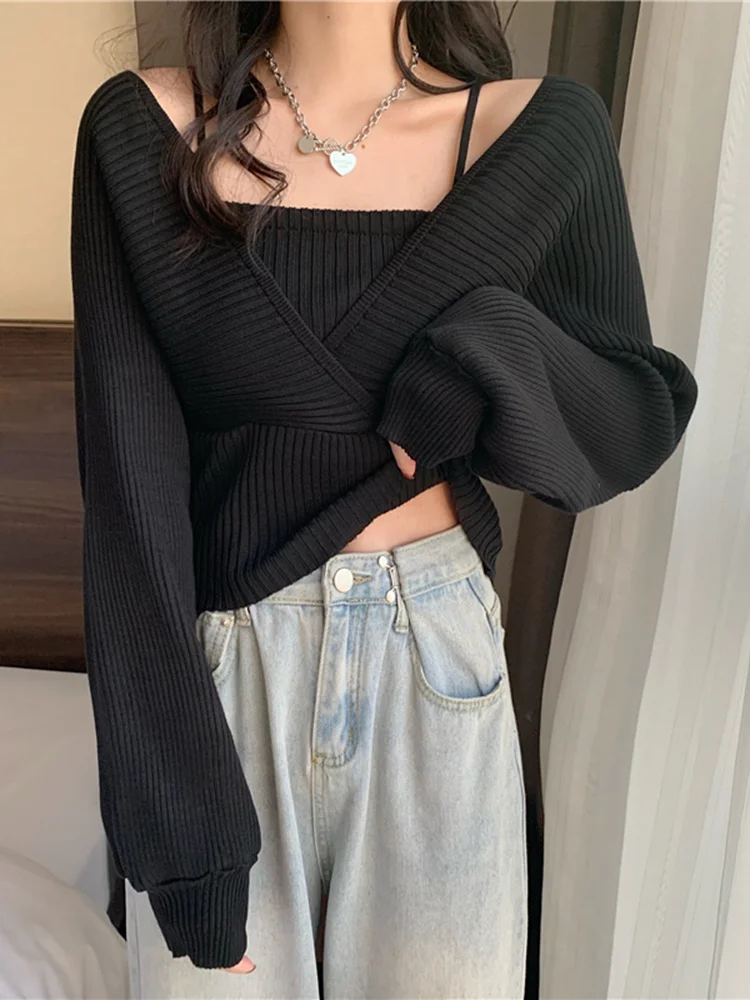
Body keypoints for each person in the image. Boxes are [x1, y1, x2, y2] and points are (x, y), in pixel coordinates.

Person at [69, 2, 698, 997]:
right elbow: (128, 502)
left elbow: (634, 413)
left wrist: (483, 354)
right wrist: (181, 833)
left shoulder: (539, 135)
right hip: (225, 679)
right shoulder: (142, 134)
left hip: (434, 670)